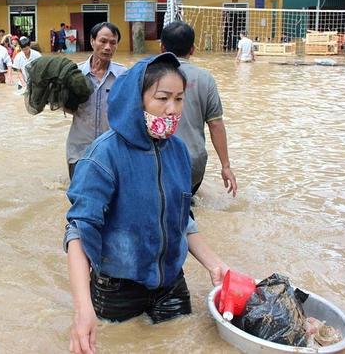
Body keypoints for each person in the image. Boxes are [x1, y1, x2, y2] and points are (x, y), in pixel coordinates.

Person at [64, 53, 229, 354]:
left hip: (170, 282)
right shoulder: (103, 156)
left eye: (179, 99)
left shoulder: (178, 151)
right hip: (117, 288)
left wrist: (215, 265)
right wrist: (82, 309)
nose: (172, 109)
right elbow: (78, 233)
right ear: (135, 100)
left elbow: (183, 219)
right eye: (162, 98)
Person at [160, 21, 237, 198]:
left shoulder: (150, 75)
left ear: (162, 47)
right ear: (193, 49)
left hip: (160, 162)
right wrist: (225, 166)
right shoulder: (205, 78)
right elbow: (216, 124)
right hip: (194, 164)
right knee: (188, 206)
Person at [66, 22, 126, 179]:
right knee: (79, 199)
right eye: (103, 41)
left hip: (112, 153)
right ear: (92, 41)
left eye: (113, 43)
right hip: (79, 151)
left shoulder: (123, 76)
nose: (108, 47)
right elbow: (66, 108)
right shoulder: (74, 73)